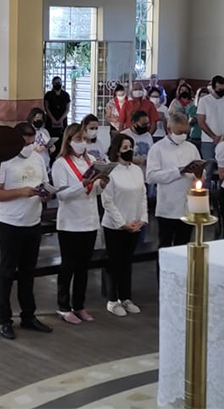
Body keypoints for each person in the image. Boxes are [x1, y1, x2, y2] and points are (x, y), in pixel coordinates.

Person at [0, 122, 54, 340]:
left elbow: (45, 185)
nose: (30, 147)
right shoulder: (3, 160)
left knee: (28, 273)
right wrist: (21, 192)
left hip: (32, 222)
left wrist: (46, 194)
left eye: (33, 142)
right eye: (26, 143)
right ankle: (4, 319)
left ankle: (28, 315)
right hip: (10, 223)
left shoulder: (37, 158)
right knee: (7, 272)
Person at [51, 123, 106, 325]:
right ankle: (63, 306)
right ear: (69, 141)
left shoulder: (90, 160)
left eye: (84, 139)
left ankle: (79, 305)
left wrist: (102, 184)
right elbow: (62, 194)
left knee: (84, 267)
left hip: (89, 220)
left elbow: (94, 190)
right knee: (68, 266)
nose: (83, 143)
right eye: (79, 139)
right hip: (70, 223)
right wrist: (82, 184)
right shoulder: (61, 164)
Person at [101, 133, 147, 317]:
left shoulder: (136, 170)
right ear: (117, 150)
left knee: (127, 262)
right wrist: (122, 224)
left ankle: (126, 297)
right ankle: (112, 300)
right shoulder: (110, 172)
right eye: (125, 148)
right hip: (115, 226)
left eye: (131, 147)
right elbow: (108, 202)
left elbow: (142, 195)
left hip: (135, 223)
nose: (129, 151)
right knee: (115, 263)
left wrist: (142, 219)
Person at [146, 112, 204, 248]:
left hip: (188, 206)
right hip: (168, 207)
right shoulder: (157, 149)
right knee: (165, 245)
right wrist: (178, 171)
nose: (183, 136)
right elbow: (151, 176)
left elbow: (201, 174)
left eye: (186, 132)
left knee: (184, 246)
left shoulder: (191, 147)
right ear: (169, 129)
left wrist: (200, 172)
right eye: (179, 132)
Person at [196, 75, 224, 184]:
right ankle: (205, 196)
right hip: (208, 141)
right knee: (207, 170)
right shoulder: (204, 101)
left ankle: (222, 194)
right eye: (219, 89)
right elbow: (201, 121)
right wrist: (214, 136)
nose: (222, 91)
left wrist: (223, 137)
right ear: (213, 88)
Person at [169, 81, 200, 149]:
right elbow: (170, 114)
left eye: (186, 90)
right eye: (182, 90)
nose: (184, 91)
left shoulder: (193, 102)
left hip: (190, 129)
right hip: (177, 127)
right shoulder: (175, 102)